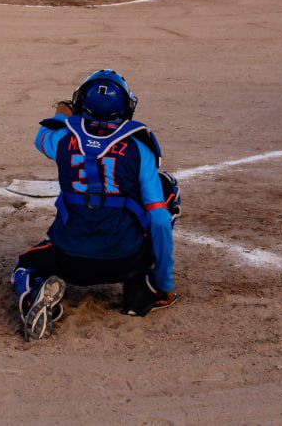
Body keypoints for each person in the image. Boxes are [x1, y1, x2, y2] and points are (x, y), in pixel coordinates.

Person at [12, 70, 179, 341]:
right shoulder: (140, 146)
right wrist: (167, 283)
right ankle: (144, 289)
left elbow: (41, 135)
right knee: (167, 190)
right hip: (123, 260)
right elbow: (159, 220)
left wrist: (61, 112)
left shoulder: (63, 138)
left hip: (69, 260)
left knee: (25, 264)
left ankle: (31, 296)